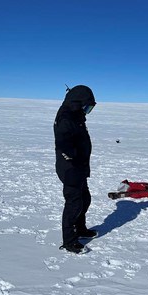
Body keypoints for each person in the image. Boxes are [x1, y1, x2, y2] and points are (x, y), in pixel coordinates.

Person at [54, 85, 98, 254]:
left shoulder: (75, 115)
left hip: (79, 166)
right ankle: (69, 241)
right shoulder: (66, 117)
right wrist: (73, 156)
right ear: (77, 102)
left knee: (84, 199)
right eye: (87, 107)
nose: (87, 111)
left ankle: (80, 229)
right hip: (70, 168)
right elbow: (63, 143)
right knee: (74, 203)